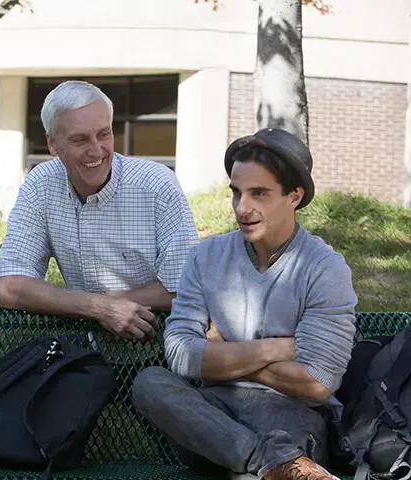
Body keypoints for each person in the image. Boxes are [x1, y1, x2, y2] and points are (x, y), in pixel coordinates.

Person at [132, 128, 358, 480]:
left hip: (289, 419)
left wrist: (223, 353)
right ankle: (269, 461)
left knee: (254, 466)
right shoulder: (205, 257)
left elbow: (317, 382)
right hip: (212, 419)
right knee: (150, 383)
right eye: (236, 193)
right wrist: (278, 348)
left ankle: (262, 463)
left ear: (294, 197)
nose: (242, 207)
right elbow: (179, 354)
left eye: (259, 194)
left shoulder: (324, 268)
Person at [0, 80, 198, 341]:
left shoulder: (157, 185)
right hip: (83, 355)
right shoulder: (40, 185)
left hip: (160, 349)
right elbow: (7, 286)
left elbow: (186, 289)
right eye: (80, 139)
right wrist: (98, 308)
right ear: (53, 144)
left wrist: (109, 305)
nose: (97, 150)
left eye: (104, 134)